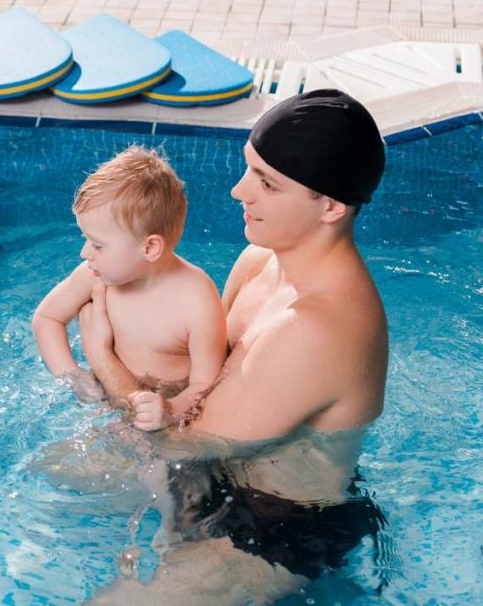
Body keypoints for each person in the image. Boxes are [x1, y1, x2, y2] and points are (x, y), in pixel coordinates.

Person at [77, 89, 390, 603]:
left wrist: (101, 355)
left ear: (331, 206)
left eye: (266, 183)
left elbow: (182, 439)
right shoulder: (260, 261)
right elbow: (201, 384)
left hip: (272, 530)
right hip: (214, 474)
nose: (238, 191)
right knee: (43, 479)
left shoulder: (315, 329)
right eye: (248, 168)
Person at [32, 147, 226, 426]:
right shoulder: (94, 275)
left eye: (98, 244)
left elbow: (206, 386)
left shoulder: (196, 300)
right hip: (110, 394)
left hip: (168, 404)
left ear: (149, 247)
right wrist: (72, 375)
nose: (85, 252)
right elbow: (47, 318)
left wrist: (170, 409)